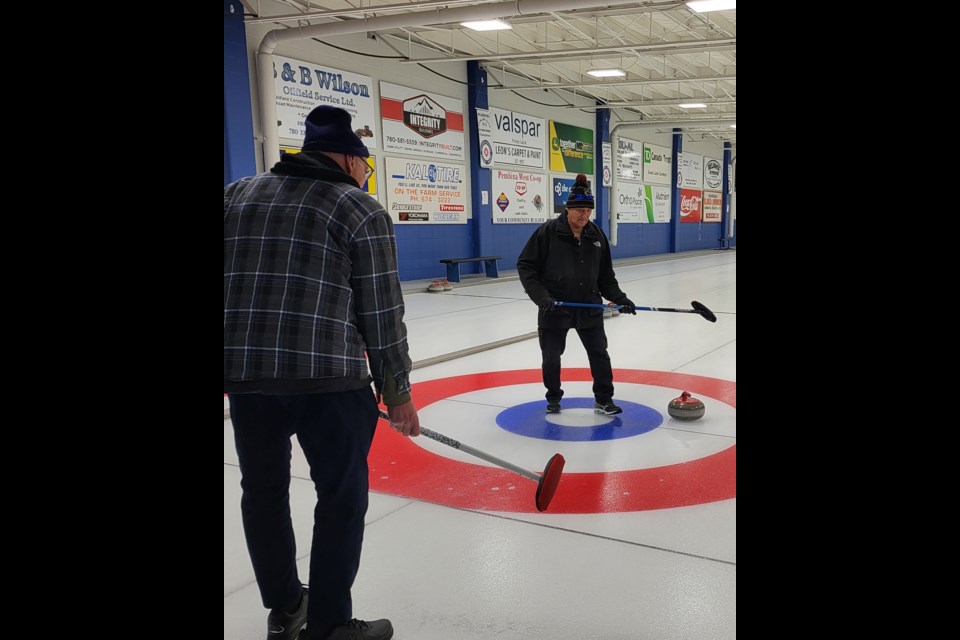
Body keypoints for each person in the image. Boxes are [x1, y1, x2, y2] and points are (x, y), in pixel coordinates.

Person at [224, 105, 419, 640]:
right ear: (347, 157)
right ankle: (330, 624)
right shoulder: (358, 209)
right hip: (329, 380)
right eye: (364, 162)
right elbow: (381, 312)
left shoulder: (235, 196)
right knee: (341, 495)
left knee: (262, 491)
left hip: (248, 379)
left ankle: (286, 608)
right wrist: (397, 389)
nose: (365, 173)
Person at [517, 173, 637, 416]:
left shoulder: (596, 235)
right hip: (555, 307)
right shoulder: (548, 232)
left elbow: (605, 275)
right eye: (580, 210)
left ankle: (604, 398)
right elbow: (526, 266)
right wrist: (542, 298)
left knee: (599, 354)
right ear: (568, 209)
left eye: (588, 211)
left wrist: (620, 297)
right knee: (551, 357)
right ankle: (553, 397)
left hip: (588, 306)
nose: (585, 215)